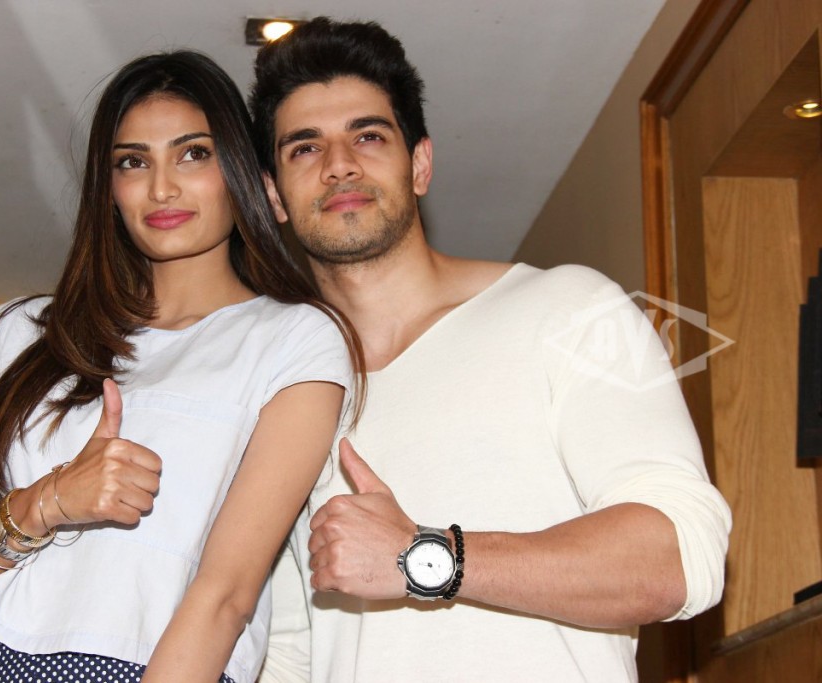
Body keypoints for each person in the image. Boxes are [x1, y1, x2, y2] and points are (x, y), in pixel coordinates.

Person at [248, 17, 732, 681]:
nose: (340, 164)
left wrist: (425, 557)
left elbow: (678, 557)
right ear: (273, 194)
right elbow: (291, 652)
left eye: (368, 135)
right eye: (305, 148)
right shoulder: (286, 389)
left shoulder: (572, 308)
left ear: (420, 164)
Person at [0, 49, 365, 683]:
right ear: (109, 190)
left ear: (243, 174)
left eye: (194, 154)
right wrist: (48, 502)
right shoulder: (17, 336)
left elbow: (225, 596)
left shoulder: (296, 339)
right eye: (133, 162)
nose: (161, 188)